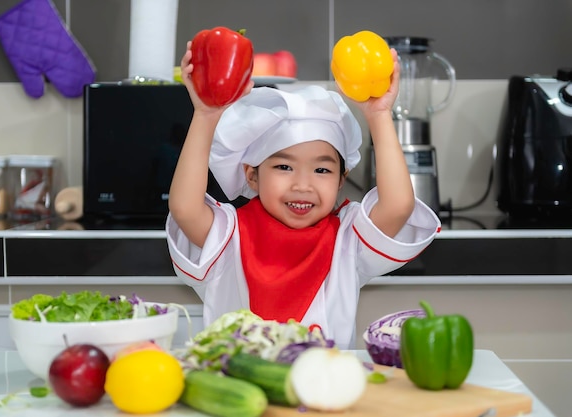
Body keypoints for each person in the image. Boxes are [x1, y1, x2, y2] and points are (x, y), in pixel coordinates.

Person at [166, 41, 441, 349]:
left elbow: (398, 206)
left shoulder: (347, 240)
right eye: (284, 166)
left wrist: (378, 115)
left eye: (321, 171)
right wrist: (205, 116)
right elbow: (185, 208)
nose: (303, 185)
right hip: (241, 387)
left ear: (341, 180)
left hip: (325, 391)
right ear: (252, 175)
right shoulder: (230, 234)